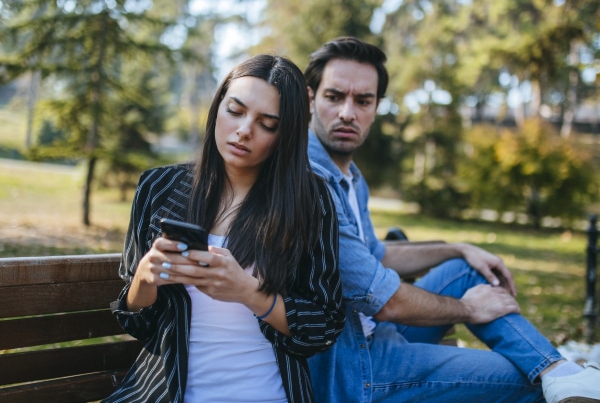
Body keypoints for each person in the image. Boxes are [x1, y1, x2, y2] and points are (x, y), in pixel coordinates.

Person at [304, 36, 600, 403]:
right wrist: (470, 309)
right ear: (310, 98)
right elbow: (385, 301)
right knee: (526, 382)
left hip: (378, 333)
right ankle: (555, 377)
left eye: (363, 100)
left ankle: (559, 371)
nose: (348, 112)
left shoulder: (351, 176)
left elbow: (375, 254)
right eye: (335, 97)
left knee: (468, 267)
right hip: (353, 368)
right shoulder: (310, 179)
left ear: (376, 106)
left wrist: (458, 247)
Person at [103, 54, 345, 403]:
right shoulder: (159, 188)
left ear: (285, 135)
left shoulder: (309, 201)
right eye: (235, 110)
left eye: (267, 124)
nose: (244, 130)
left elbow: (322, 326)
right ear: (218, 107)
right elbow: (137, 324)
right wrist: (145, 278)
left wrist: (248, 292)